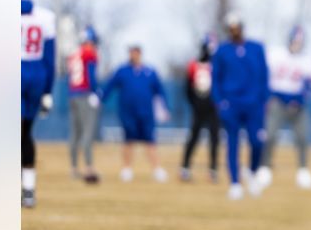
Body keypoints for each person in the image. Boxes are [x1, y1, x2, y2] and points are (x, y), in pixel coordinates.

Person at [213, 13, 269, 200]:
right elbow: (216, 79)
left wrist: (264, 100)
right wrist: (221, 102)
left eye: (237, 27)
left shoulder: (256, 48)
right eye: (232, 28)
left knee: (257, 141)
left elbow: (264, 76)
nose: (235, 31)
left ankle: (252, 173)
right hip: (231, 104)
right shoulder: (222, 51)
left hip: (253, 105)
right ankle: (235, 182)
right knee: (232, 143)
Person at [100, 44, 170, 182]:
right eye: (131, 53)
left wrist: (164, 108)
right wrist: (100, 98)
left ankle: (156, 169)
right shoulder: (122, 71)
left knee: (150, 141)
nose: (134, 55)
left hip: (146, 113)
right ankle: (126, 169)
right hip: (128, 112)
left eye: (136, 53)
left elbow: (160, 91)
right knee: (128, 140)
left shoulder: (150, 72)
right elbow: (110, 86)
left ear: (140, 54)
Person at [264, 25, 311, 190]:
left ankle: (303, 171)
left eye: (299, 42)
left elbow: (310, 85)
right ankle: (264, 168)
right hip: (277, 101)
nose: (297, 44)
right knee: (270, 135)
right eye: (295, 41)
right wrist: (269, 98)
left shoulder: (309, 59)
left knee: (302, 138)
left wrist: (299, 101)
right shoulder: (275, 55)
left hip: (298, 105)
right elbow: (266, 78)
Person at [21, 0, 56, 209]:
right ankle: (29, 189)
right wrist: (47, 91)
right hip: (37, 75)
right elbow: (50, 59)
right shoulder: (45, 17)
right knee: (25, 133)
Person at [181, 34, 221, 183]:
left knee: (215, 138)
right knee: (193, 137)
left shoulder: (218, 65)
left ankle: (213, 170)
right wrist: (194, 103)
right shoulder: (193, 65)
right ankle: (185, 168)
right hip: (198, 107)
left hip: (214, 107)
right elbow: (188, 87)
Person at [65, 25, 102, 184]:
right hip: (85, 94)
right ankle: (88, 167)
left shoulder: (74, 54)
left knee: (75, 133)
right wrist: (95, 92)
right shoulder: (89, 53)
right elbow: (91, 75)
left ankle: (73, 167)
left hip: (73, 94)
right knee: (87, 131)